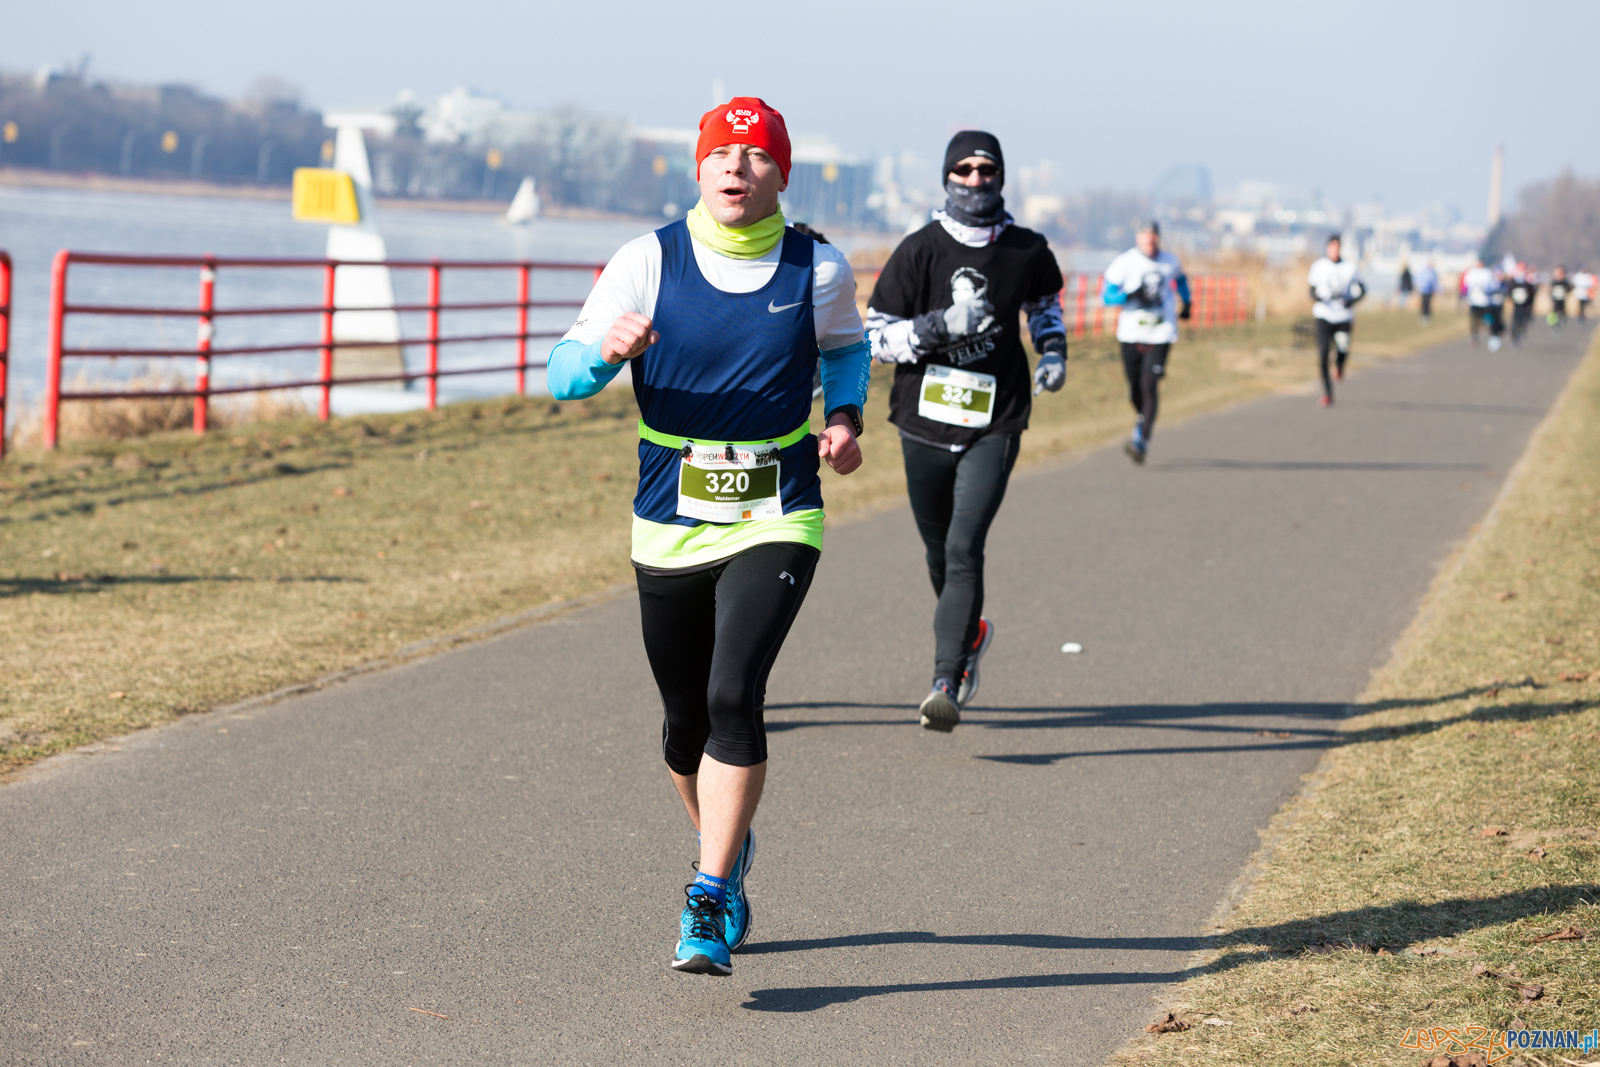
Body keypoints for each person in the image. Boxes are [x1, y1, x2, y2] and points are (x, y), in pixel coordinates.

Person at [547, 97, 870, 976]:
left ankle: (708, 889)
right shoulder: (647, 260)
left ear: (781, 174)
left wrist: (844, 414)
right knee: (684, 723)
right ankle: (724, 844)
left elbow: (846, 347)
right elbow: (560, 375)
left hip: (778, 508)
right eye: (722, 154)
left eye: (757, 156)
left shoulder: (819, 266)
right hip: (670, 518)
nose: (737, 167)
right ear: (699, 169)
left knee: (735, 692)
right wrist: (605, 354)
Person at [865, 130, 1067, 731]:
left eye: (987, 170)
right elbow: (876, 338)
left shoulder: (1027, 250)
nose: (976, 180)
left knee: (962, 548)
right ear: (946, 178)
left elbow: (1046, 306)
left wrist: (1053, 352)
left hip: (995, 421)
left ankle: (945, 680)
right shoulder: (918, 250)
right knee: (937, 551)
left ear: (1001, 177)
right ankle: (970, 632)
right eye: (964, 170)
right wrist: (937, 327)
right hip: (923, 423)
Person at [1101, 221, 1190, 459]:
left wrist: (1187, 302)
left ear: (1158, 238)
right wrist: (1129, 295)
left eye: (1153, 236)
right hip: (1131, 333)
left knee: (1149, 384)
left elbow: (1181, 280)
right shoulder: (1124, 262)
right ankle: (1143, 417)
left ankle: (1141, 441)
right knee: (1134, 389)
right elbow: (1106, 296)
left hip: (1162, 332)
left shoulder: (1170, 261)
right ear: (1138, 238)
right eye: (1145, 236)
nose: (1149, 241)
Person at [1306, 233, 1366, 406]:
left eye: (1337, 246)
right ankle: (1328, 394)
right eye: (1331, 246)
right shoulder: (1319, 266)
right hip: (1324, 315)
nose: (1334, 250)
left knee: (1342, 349)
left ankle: (1339, 366)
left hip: (1343, 317)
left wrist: (1351, 301)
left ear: (1340, 248)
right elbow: (1311, 290)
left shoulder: (1350, 267)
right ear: (1327, 247)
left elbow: (1363, 290)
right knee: (1323, 354)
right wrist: (1317, 298)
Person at [1462, 256, 1503, 350]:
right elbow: (1465, 286)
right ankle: (1474, 336)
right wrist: (1464, 297)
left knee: (1486, 320)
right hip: (1473, 300)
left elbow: (1492, 286)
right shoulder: (1471, 273)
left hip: (1484, 301)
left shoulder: (1487, 273)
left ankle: (1491, 336)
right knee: (1473, 319)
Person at [1506, 265, 1536, 346]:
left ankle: (1521, 332)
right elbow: (1508, 293)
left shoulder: (1527, 284)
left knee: (1522, 321)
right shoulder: (1512, 283)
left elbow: (1532, 295)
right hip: (1516, 307)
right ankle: (1514, 339)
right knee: (1515, 322)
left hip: (1524, 307)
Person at [1547, 265, 1571, 330]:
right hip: (1555, 299)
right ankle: (1554, 324)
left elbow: (1569, 289)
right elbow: (1550, 290)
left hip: (1562, 299)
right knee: (1554, 311)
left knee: (1562, 311)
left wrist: (1565, 292)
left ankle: (1562, 319)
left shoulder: (1565, 282)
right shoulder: (1554, 282)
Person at [1415, 258, 1439, 323]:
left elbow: (1434, 281)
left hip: (1429, 290)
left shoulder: (1432, 272)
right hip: (1423, 290)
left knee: (1428, 303)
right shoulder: (1424, 271)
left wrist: (1436, 289)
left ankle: (1427, 315)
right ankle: (1423, 315)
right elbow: (1419, 280)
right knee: (1423, 303)